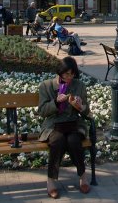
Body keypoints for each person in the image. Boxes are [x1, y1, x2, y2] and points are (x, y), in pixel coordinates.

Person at [38, 56, 91, 198]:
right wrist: (55, 102)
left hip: (73, 124)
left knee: (74, 141)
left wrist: (80, 106)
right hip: (54, 125)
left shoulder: (79, 85)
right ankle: (51, 181)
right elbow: (42, 111)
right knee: (57, 141)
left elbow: (86, 110)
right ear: (60, 72)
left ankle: (83, 176)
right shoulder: (47, 86)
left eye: (72, 74)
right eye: (67, 74)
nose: (70, 77)